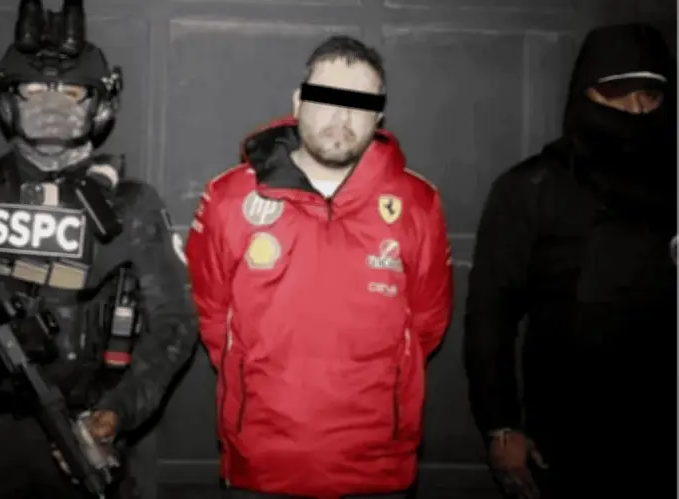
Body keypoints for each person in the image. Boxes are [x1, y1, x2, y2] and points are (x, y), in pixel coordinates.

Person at [0, 1, 197, 498]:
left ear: (100, 105)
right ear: (7, 100)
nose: (51, 106)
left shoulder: (131, 206)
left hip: (79, 435)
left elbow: (174, 323)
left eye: (70, 93)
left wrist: (118, 412)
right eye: (33, 91)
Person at [185, 35, 453, 498]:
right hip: (261, 468)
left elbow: (427, 323)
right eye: (327, 99)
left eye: (359, 105)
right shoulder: (229, 197)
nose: (341, 119)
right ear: (298, 103)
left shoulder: (417, 203)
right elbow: (210, 314)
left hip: (378, 473)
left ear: (378, 117)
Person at [463, 23, 676, 499]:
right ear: (586, 95)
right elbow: (490, 315)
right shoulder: (530, 188)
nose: (635, 111)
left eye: (650, 96)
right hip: (564, 440)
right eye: (616, 94)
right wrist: (500, 425)